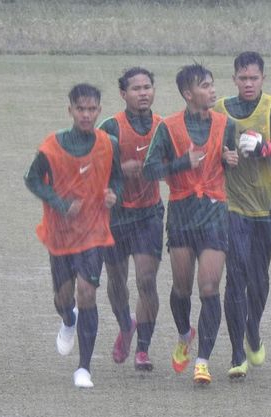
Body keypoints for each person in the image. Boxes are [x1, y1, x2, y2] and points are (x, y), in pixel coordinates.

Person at [143, 63, 238, 385]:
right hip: (182, 212)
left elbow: (229, 163)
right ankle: (185, 335)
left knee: (209, 287)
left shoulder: (226, 125)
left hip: (214, 213)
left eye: (213, 85)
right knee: (182, 288)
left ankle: (202, 361)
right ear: (188, 93)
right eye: (206, 86)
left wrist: (231, 161)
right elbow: (150, 170)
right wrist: (183, 162)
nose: (213, 91)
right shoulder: (167, 128)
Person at [24, 83, 123, 388]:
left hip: (94, 232)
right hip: (61, 234)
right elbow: (32, 181)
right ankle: (68, 319)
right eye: (80, 108)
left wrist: (113, 194)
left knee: (88, 293)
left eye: (92, 109)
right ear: (70, 110)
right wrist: (60, 204)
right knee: (63, 297)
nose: (86, 114)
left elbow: (116, 177)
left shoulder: (109, 143)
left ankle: (84, 368)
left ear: (99, 111)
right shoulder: (51, 147)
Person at [213, 51, 271, 379]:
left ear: (263, 78)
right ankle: (237, 352)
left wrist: (268, 148)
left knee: (258, 277)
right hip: (232, 206)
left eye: (254, 78)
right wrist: (223, 157)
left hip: (268, 207)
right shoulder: (219, 110)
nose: (248, 84)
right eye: (242, 78)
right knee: (235, 276)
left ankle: (253, 329)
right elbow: (206, 149)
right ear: (234, 79)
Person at [98, 67, 163, 372]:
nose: (143, 93)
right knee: (116, 280)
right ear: (123, 94)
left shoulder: (164, 126)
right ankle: (126, 325)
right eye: (135, 88)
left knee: (147, 279)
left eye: (147, 87)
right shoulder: (110, 127)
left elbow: (175, 165)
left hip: (149, 213)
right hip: (115, 215)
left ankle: (144, 349)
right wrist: (120, 170)